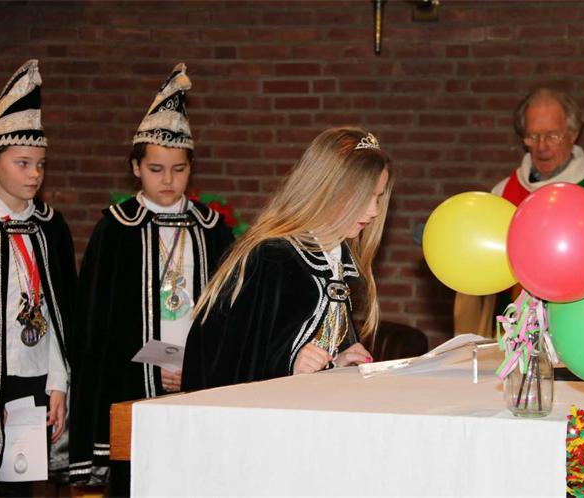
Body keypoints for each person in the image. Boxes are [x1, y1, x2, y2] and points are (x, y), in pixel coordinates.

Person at [68, 64, 234, 495]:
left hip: (195, 378)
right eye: (156, 169)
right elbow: (97, 324)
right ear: (136, 168)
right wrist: (155, 365)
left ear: (191, 168)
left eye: (179, 169)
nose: (168, 180)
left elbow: (229, 315)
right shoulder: (116, 229)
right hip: (133, 381)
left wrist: (192, 365)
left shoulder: (211, 229)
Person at [181, 127, 392, 392]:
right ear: (327, 190)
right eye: (365, 197)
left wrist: (338, 362)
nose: (374, 211)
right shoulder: (273, 258)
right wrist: (289, 364)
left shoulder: (336, 261)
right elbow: (230, 358)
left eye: (378, 197)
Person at [0, 60, 76, 497]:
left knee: (20, 487)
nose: (34, 174)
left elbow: (61, 316)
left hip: (36, 380)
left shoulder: (50, 228)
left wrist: (58, 385)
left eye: (40, 164)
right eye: (22, 163)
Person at [454, 88, 584, 336]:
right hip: (511, 335)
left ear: (573, 134)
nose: (541, 146)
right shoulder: (503, 193)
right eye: (533, 136)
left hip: (578, 330)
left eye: (552, 136)